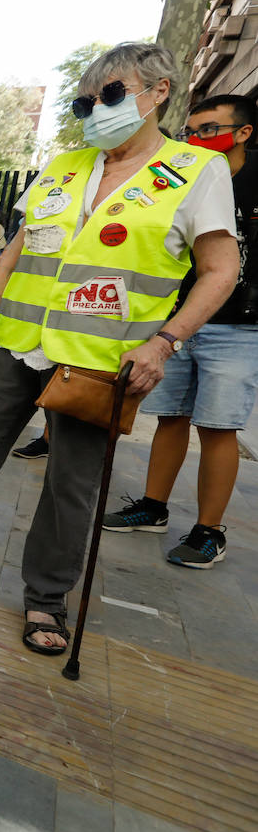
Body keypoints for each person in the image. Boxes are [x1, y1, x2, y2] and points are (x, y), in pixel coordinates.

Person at [0, 43, 240, 656]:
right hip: (14, 347)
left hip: (100, 363)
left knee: (70, 486)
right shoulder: (64, 166)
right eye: (86, 100)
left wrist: (165, 341)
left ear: (159, 92)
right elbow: (14, 255)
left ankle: (46, 599)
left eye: (113, 94)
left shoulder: (196, 172)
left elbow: (220, 270)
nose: (97, 108)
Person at [101, 93, 258, 568]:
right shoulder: (182, 175)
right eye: (192, 131)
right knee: (169, 418)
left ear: (244, 132)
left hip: (238, 326)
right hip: (174, 325)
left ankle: (209, 531)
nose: (198, 138)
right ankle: (153, 507)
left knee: (217, 426)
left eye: (210, 129)